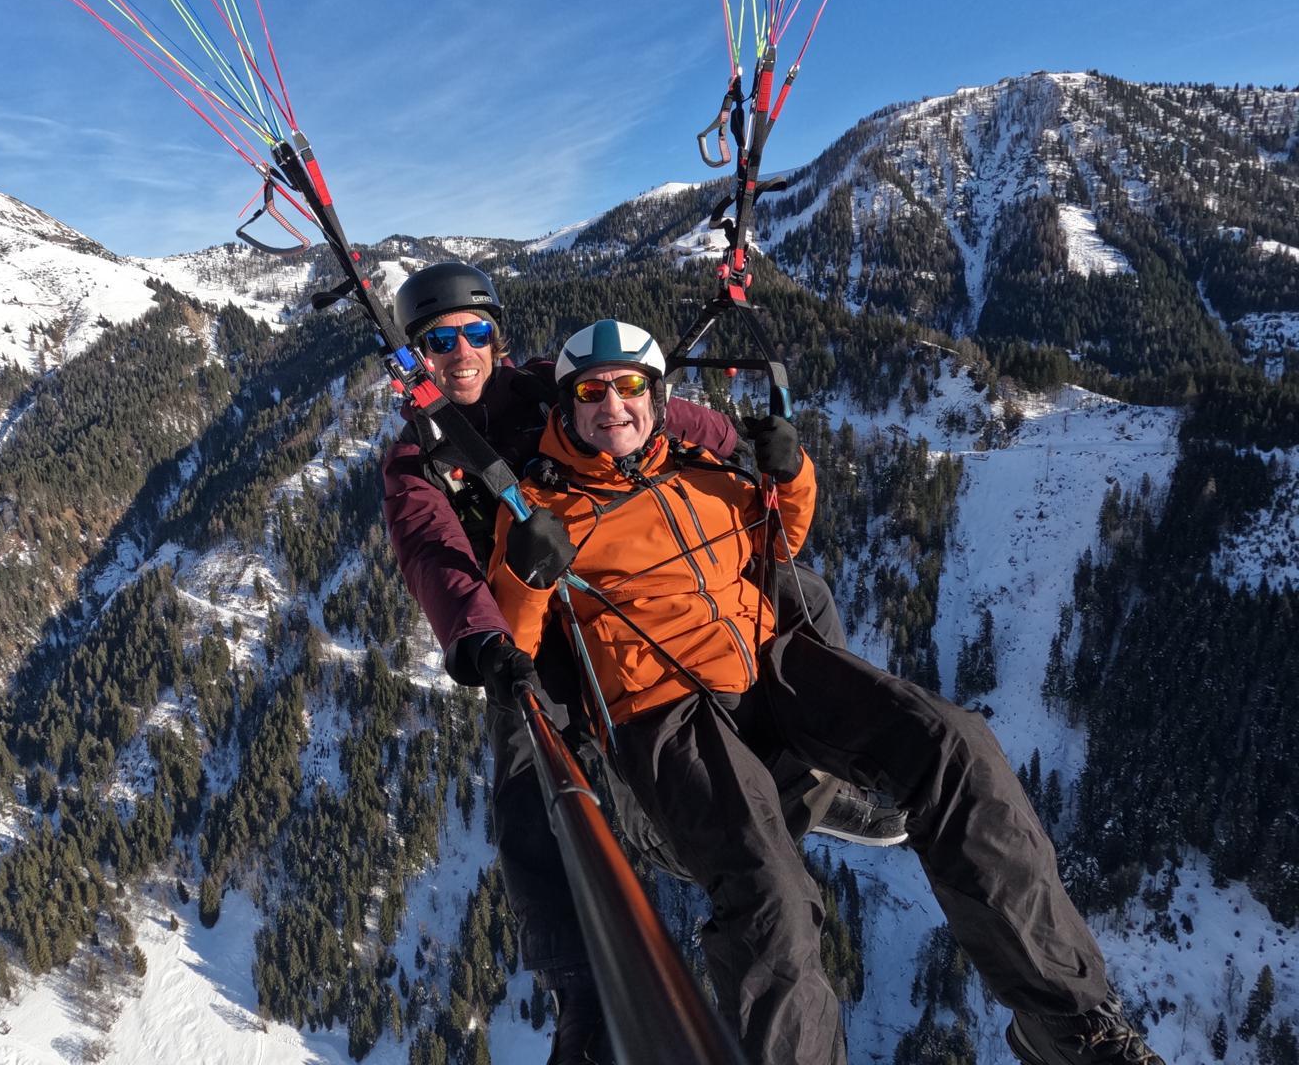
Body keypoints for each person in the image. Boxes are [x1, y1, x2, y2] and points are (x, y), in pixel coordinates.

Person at [487, 319, 1165, 1065]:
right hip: (666, 710)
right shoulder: (538, 511)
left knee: (955, 747)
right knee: (769, 896)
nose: (612, 404)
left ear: (656, 395)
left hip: (770, 662)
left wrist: (793, 473)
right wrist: (528, 569)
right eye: (591, 390)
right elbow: (519, 647)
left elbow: (782, 546)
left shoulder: (701, 470)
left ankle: (1068, 1023)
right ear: (566, 407)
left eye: (630, 387)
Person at [380, 264, 903, 1065]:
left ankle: (816, 778)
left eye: (474, 333)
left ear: (498, 335)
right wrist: (478, 636)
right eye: (439, 341)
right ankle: (579, 983)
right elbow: (432, 552)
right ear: (417, 355)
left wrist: (751, 452)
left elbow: (671, 423)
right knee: (529, 751)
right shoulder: (421, 457)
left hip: (616, 574)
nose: (461, 353)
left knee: (800, 596)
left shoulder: (544, 391)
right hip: (529, 615)